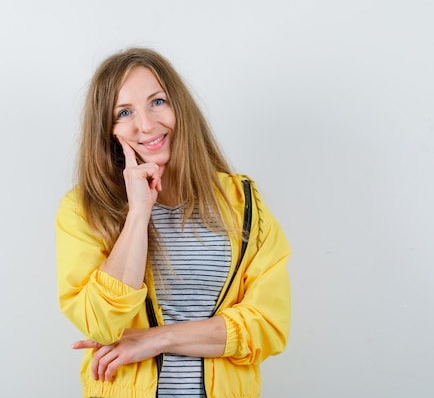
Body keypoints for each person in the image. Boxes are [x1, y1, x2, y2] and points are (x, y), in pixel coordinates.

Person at [55, 47, 290, 398]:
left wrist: (158, 339)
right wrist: (137, 214)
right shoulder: (84, 209)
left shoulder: (242, 202)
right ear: (107, 129)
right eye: (124, 112)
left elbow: (269, 326)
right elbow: (100, 323)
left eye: (157, 102)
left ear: (178, 105)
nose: (147, 124)